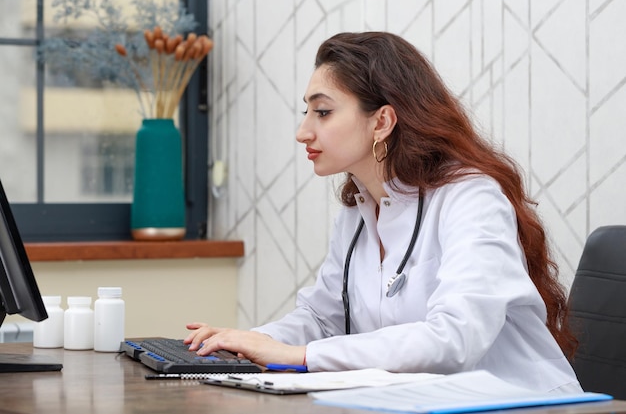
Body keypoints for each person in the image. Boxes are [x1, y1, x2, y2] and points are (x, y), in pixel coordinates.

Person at [185, 31, 582, 393]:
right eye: (306, 112)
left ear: (383, 121)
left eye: (322, 112)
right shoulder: (360, 209)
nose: (303, 131)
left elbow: (454, 339)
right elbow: (323, 318)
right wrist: (243, 345)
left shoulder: (471, 197)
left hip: (524, 401)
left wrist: (302, 357)